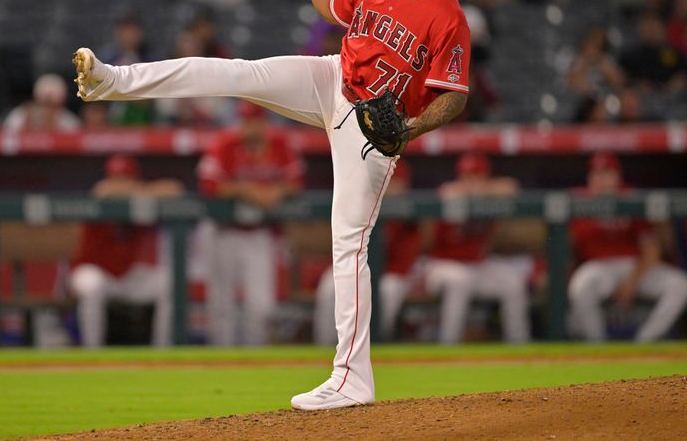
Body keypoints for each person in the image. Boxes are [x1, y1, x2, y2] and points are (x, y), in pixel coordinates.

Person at [73, 0, 471, 410]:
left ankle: (352, 379)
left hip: (375, 129)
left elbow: (454, 95)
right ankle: (115, 81)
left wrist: (411, 129)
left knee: (348, 242)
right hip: (332, 79)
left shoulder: (446, 14)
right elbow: (330, 3)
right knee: (238, 73)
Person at [196, 101, 305, 345]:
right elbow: (209, 185)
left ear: (264, 123)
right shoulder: (225, 143)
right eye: (245, 121)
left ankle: (255, 359)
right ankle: (221, 362)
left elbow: (296, 182)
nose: (249, 127)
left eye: (255, 121)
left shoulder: (279, 144)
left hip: (259, 232)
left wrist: (277, 191)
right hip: (223, 231)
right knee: (221, 305)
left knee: (262, 307)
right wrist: (248, 190)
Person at [568, 152, 687, 342]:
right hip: (600, 268)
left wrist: (632, 281)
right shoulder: (579, 200)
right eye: (596, 173)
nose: (601, 179)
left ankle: (645, 342)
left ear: (617, 176)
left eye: (606, 173)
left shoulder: (631, 198)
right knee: (581, 286)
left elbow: (652, 250)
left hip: (634, 266)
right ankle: (597, 345)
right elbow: (568, 248)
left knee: (681, 285)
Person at [69, 154, 184, 347]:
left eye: (125, 178)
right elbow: (103, 191)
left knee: (168, 282)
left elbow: (175, 189)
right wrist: (133, 191)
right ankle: (92, 352)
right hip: (94, 270)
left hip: (126, 275)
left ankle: (163, 351)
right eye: (115, 178)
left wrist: (139, 192)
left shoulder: (139, 200)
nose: (119, 183)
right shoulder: (100, 194)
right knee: (92, 287)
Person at [423, 152, 530, 344]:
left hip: (478, 266)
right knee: (460, 281)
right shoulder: (449, 192)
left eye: (477, 176)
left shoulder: (491, 195)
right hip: (441, 265)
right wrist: (469, 190)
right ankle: (447, 347)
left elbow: (511, 187)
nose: (471, 182)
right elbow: (447, 192)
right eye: (467, 176)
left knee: (513, 282)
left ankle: (519, 346)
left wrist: (484, 190)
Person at [313, 160, 421, 344]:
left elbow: (409, 257)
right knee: (329, 285)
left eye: (392, 182)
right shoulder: (356, 203)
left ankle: (373, 346)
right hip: (353, 266)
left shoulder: (406, 213)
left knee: (389, 289)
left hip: (391, 272)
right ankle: (324, 346)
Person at [3, 74, 81, 132]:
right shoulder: (20, 116)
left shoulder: (70, 122)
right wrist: (25, 129)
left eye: (52, 105)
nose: (47, 111)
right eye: (44, 104)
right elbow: (6, 141)